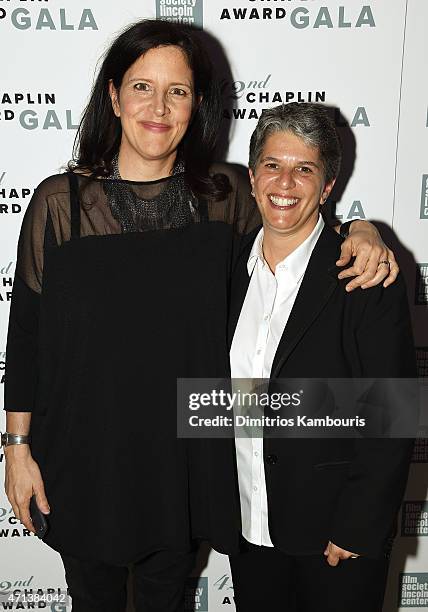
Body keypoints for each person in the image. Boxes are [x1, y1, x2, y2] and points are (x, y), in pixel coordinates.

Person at [2, 20, 398, 612]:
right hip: (83, 464)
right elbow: (27, 338)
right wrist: (16, 449)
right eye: (142, 87)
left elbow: (293, 213)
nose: (158, 108)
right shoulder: (61, 204)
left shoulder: (225, 196)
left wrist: (363, 231)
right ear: (113, 96)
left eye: (178, 91)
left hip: (182, 471)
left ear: (196, 106)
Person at [228, 102, 416, 612]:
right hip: (248, 529)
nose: (284, 181)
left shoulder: (364, 276)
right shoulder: (224, 269)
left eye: (304, 168)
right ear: (252, 176)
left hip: (336, 538)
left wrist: (358, 527)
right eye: (272, 164)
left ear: (328, 185)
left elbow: (394, 414)